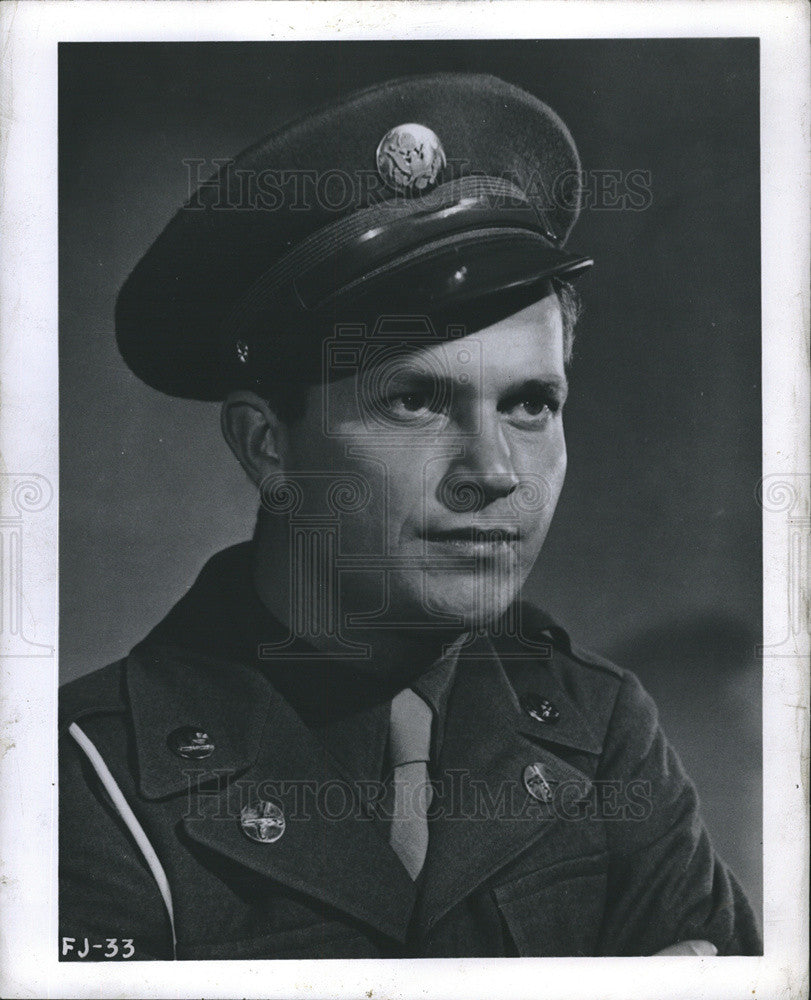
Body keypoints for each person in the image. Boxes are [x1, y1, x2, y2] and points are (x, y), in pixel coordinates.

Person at [59, 72, 761, 960]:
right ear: (266, 443)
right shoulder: (80, 779)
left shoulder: (596, 727)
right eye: (414, 403)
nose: (494, 471)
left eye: (530, 404)